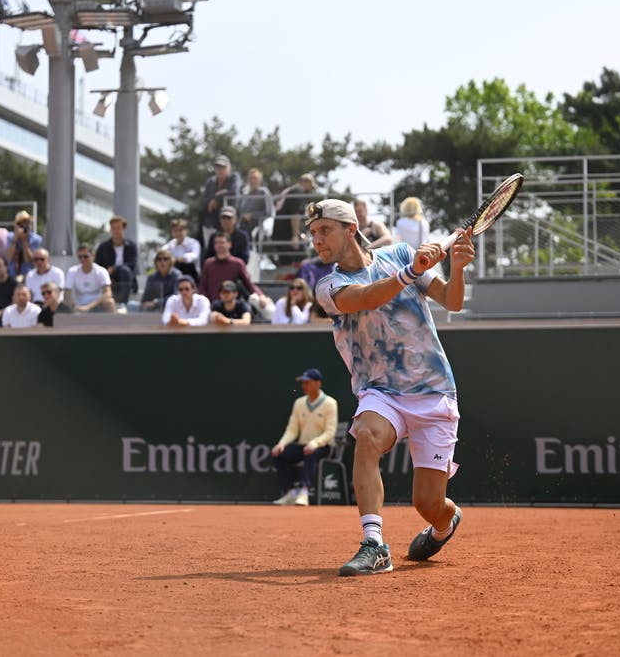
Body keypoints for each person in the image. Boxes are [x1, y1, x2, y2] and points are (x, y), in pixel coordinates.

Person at [305, 198, 475, 576]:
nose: (317, 239)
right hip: (382, 391)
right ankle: (374, 544)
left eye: (325, 230)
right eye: (313, 233)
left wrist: (457, 268)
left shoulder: (398, 253)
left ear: (350, 229)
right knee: (365, 434)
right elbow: (366, 298)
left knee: (429, 504)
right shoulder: (328, 285)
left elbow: (453, 300)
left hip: (434, 392)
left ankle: (445, 524)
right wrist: (411, 271)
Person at [270, 368, 338, 506]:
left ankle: (304, 491)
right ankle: (290, 493)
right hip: (303, 446)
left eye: (307, 382)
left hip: (324, 447)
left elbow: (330, 432)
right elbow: (292, 429)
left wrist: (315, 443)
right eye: (303, 383)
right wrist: (281, 444)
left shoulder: (330, 403)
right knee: (278, 454)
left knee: (310, 452)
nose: (304, 386)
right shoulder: (299, 403)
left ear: (318, 383)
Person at [199, 233, 273, 319]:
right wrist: (206, 303)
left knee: (263, 302)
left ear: (229, 244)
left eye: (222, 242)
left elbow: (248, 284)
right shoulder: (208, 263)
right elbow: (202, 286)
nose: (219, 245)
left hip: (232, 305)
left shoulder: (237, 263)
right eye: (217, 243)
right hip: (212, 306)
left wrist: (261, 295)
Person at [272, 173, 318, 264]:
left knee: (286, 264)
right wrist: (295, 236)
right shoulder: (299, 192)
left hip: (278, 233)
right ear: (306, 182)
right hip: (288, 235)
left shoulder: (290, 190)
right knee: (303, 262)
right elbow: (295, 215)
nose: (310, 190)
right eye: (310, 186)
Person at [198, 155, 242, 249]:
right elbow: (204, 199)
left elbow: (233, 192)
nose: (220, 170)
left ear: (229, 168)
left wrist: (216, 199)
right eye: (218, 167)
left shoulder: (234, 178)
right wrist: (211, 202)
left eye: (223, 167)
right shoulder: (211, 181)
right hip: (210, 222)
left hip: (227, 223)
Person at [94, 215, 138, 307]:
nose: (116, 231)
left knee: (124, 270)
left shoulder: (131, 246)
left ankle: (123, 304)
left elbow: (132, 264)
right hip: (108, 276)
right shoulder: (103, 247)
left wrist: (115, 268)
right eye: (113, 228)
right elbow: (97, 265)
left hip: (126, 276)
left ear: (123, 229)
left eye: (118, 228)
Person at [65, 244, 116, 313]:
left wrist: (88, 307)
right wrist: (74, 306)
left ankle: (113, 323)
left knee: (110, 302)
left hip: (97, 304)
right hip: (78, 305)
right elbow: (67, 293)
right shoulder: (72, 271)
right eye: (80, 257)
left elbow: (108, 293)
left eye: (86, 256)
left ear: (93, 256)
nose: (82, 259)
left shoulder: (101, 271)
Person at [234, 168, 274, 238]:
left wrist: (252, 215)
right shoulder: (244, 193)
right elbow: (238, 210)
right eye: (250, 178)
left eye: (255, 178)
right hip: (241, 223)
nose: (252, 180)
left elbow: (269, 212)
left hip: (257, 224)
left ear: (260, 180)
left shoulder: (263, 192)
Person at [5, 210, 43, 278]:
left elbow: (29, 260)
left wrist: (24, 241)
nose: (24, 226)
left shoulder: (36, 239)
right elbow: (8, 257)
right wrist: (15, 239)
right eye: (20, 224)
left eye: (26, 223)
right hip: (12, 275)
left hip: (29, 275)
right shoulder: (10, 237)